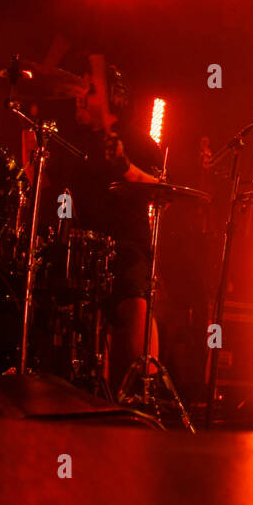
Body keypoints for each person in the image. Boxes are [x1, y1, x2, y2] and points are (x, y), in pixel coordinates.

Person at [56, 60, 162, 397]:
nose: (78, 97)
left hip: (127, 244)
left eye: (87, 90)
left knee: (134, 302)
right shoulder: (74, 146)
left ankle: (143, 395)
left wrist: (125, 167)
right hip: (81, 246)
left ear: (115, 99)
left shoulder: (141, 142)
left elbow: (162, 190)